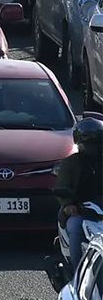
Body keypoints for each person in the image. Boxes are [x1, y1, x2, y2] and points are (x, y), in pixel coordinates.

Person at [56, 118, 103, 278]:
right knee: (76, 227)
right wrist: (69, 205)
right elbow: (62, 187)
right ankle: (77, 274)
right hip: (80, 212)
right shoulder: (70, 163)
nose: (92, 147)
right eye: (87, 142)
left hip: (101, 210)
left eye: (97, 142)